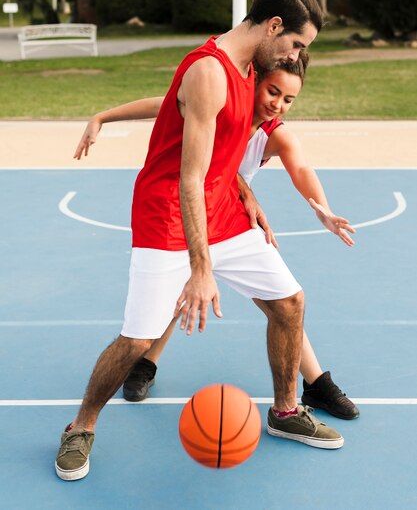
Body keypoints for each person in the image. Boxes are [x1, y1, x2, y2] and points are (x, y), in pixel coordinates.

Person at [56, 0, 344, 483]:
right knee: (139, 341)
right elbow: (189, 179)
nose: (298, 57)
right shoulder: (209, 71)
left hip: (223, 208)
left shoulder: (252, 67)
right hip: (168, 214)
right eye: (298, 45)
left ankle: (284, 411)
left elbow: (221, 149)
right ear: (274, 26)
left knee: (290, 303)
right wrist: (202, 268)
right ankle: (81, 426)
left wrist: (244, 189)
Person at [74, 51, 359, 421]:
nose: (279, 104)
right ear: (254, 83)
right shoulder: (219, 106)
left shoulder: (275, 135)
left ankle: (316, 383)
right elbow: (165, 108)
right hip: (182, 213)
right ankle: (144, 364)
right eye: (273, 92)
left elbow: (301, 167)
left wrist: (322, 208)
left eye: (289, 99)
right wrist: (102, 117)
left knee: (285, 303)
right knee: (177, 296)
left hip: (228, 221)